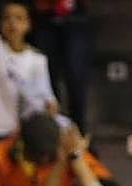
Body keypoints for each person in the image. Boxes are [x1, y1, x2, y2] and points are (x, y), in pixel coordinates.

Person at [0, 0, 58, 145]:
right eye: (7, 18)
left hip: (26, 134)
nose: (12, 23)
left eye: (19, 18)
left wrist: (50, 105)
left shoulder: (37, 59)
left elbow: (46, 94)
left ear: (28, 24)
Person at [28, 0, 91, 131]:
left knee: (76, 77)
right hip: (43, 18)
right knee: (47, 80)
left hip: (75, 17)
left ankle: (78, 134)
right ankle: (53, 134)